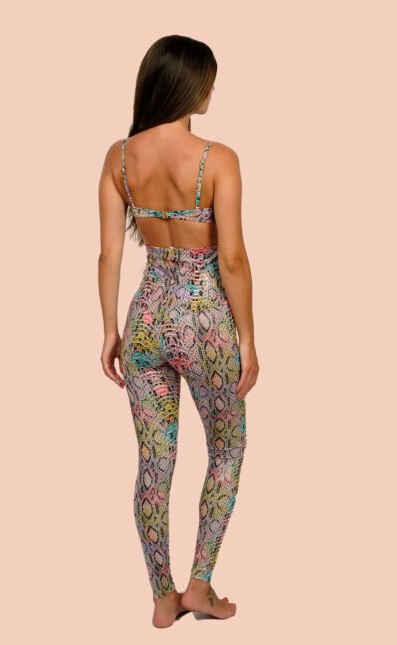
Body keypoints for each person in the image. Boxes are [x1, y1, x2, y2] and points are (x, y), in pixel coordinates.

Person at [98, 35, 259, 628]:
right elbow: (232, 259)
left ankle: (162, 596)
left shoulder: (119, 158)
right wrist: (247, 339)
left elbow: (109, 253)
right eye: (208, 79)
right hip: (205, 323)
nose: (212, 89)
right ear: (190, 85)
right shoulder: (218, 159)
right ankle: (199, 585)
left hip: (144, 319)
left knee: (154, 462)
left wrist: (109, 330)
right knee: (227, 447)